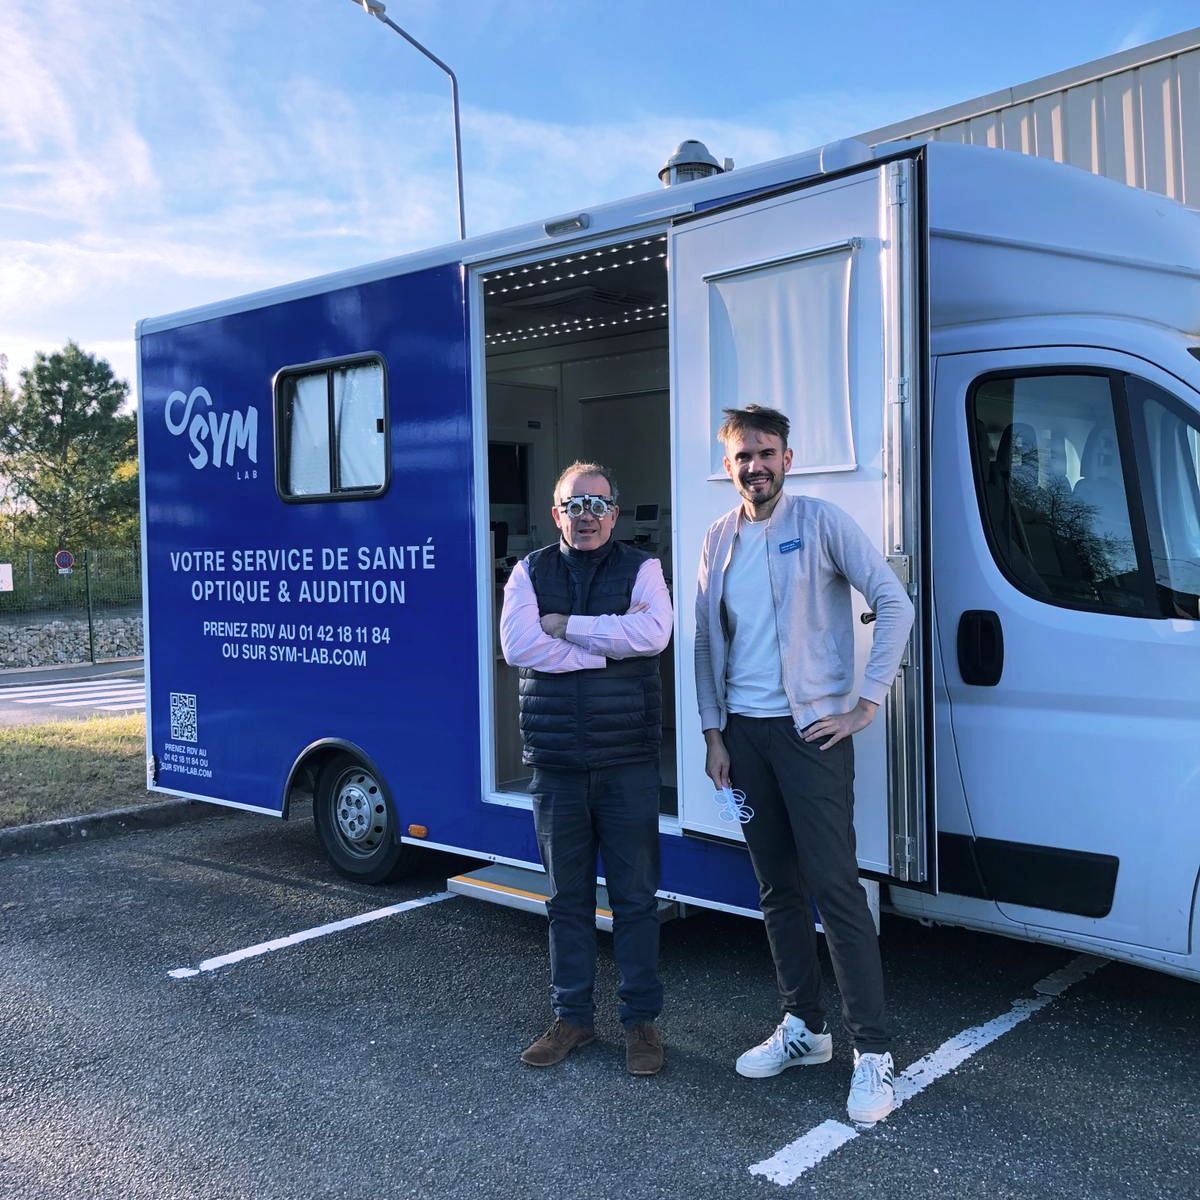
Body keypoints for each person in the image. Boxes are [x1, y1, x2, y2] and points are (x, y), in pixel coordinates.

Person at [694, 405, 914, 1124]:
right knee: (776, 889)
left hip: (811, 736)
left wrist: (865, 704)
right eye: (741, 457)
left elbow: (893, 602)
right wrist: (712, 734)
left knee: (835, 889)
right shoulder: (718, 538)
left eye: (765, 452)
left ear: (789, 458)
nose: (753, 466)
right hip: (746, 740)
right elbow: (704, 645)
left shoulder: (819, 523)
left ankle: (873, 1052)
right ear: (726, 467)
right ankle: (804, 1028)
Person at [500, 460, 673, 1075]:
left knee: (634, 899)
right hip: (557, 766)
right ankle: (572, 1018)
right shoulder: (530, 570)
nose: (588, 516)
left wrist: (567, 628)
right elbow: (519, 646)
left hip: (626, 762)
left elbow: (652, 634)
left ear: (615, 512)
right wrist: (605, 652)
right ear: (557, 514)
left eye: (598, 504)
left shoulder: (642, 568)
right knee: (565, 901)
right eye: (575, 505)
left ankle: (641, 1024)